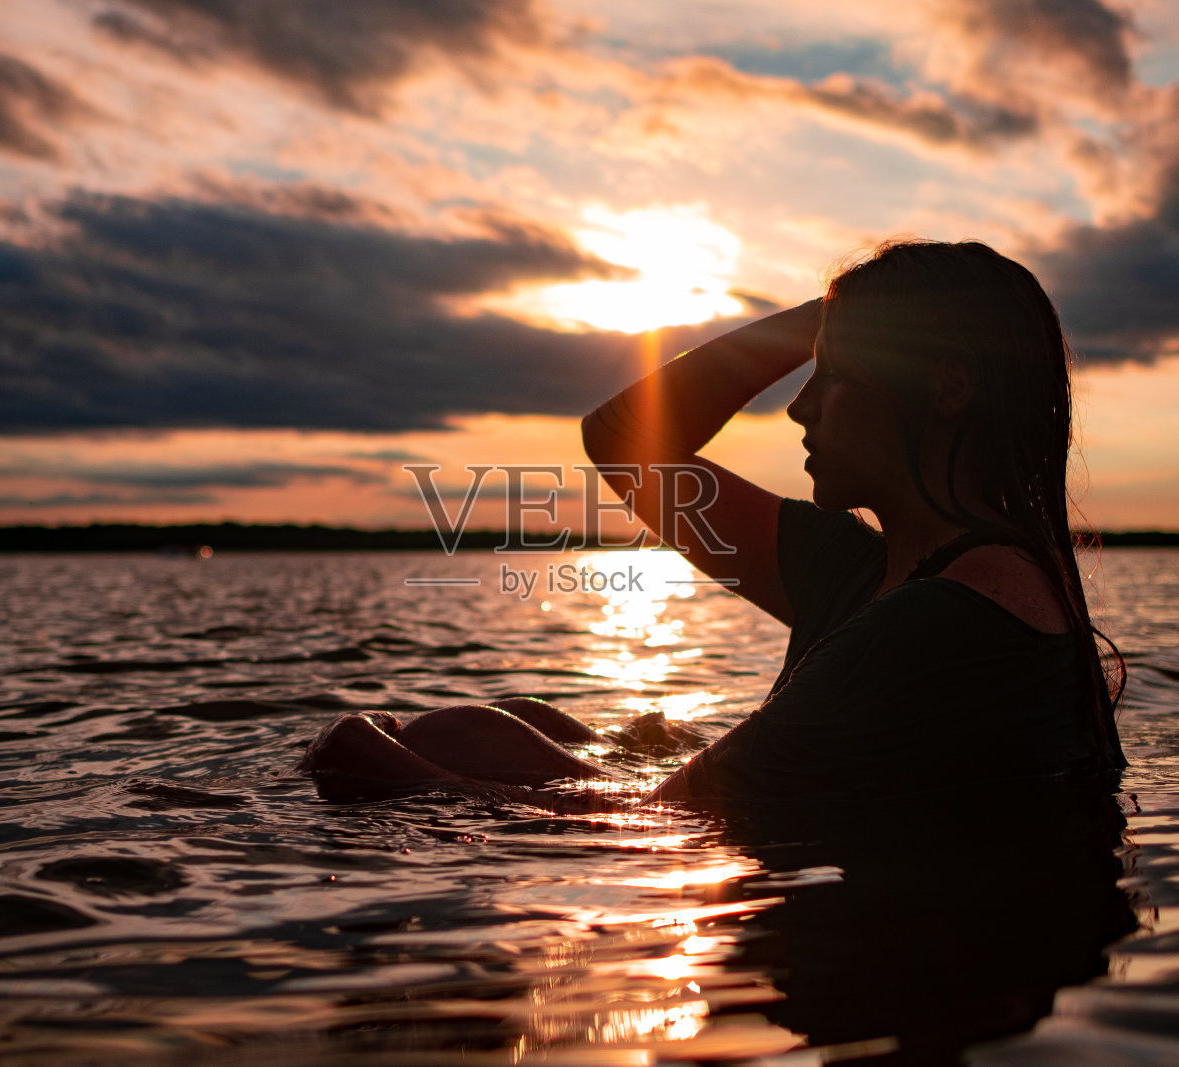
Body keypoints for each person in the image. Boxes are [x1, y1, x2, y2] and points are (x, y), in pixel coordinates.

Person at [299, 239, 1126, 811]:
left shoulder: (942, 622)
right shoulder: (866, 573)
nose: (798, 405)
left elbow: (663, 823)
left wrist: (356, 752)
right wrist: (829, 317)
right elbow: (623, 444)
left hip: (873, 966)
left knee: (452, 742)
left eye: (832, 376)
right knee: (534, 721)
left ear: (946, 389)